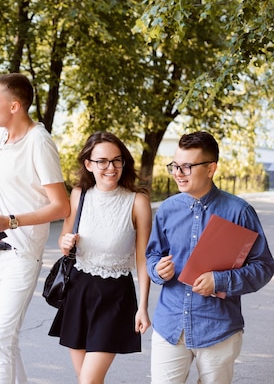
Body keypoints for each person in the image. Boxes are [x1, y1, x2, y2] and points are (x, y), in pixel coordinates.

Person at [0, 43, 70, 383]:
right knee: (3, 340)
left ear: (15, 106)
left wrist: (11, 221)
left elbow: (61, 206)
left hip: (21, 254)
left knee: (0, 340)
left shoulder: (39, 142)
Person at [146, 131, 274, 384]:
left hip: (217, 329)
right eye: (175, 165)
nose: (178, 173)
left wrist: (220, 281)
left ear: (210, 168)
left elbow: (264, 267)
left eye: (187, 166)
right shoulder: (167, 209)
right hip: (169, 325)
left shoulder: (239, 211)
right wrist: (157, 270)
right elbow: (152, 254)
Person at [48, 131, 152, 383]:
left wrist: (143, 307)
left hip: (115, 294)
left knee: (89, 380)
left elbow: (143, 258)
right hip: (79, 291)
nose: (111, 167)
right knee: (84, 377)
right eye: (102, 161)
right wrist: (66, 241)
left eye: (117, 160)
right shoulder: (79, 194)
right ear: (88, 164)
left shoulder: (137, 202)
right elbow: (64, 240)